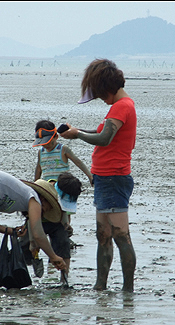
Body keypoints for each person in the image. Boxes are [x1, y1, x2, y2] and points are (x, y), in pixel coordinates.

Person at [59, 59, 137, 292]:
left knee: (121, 236)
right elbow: (104, 132)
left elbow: (105, 139)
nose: (102, 100)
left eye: (101, 95)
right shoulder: (118, 107)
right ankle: (100, 286)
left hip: (114, 178)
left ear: (108, 88)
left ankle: (127, 290)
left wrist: (79, 135)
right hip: (104, 178)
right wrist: (77, 133)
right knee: (103, 235)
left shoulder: (122, 106)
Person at [20, 172, 83, 286]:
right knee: (23, 248)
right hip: (36, 221)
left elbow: (64, 211)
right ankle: (21, 275)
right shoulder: (43, 191)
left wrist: (66, 224)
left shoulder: (68, 194)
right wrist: (32, 241)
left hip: (56, 223)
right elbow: (30, 219)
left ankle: (64, 278)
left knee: (63, 243)